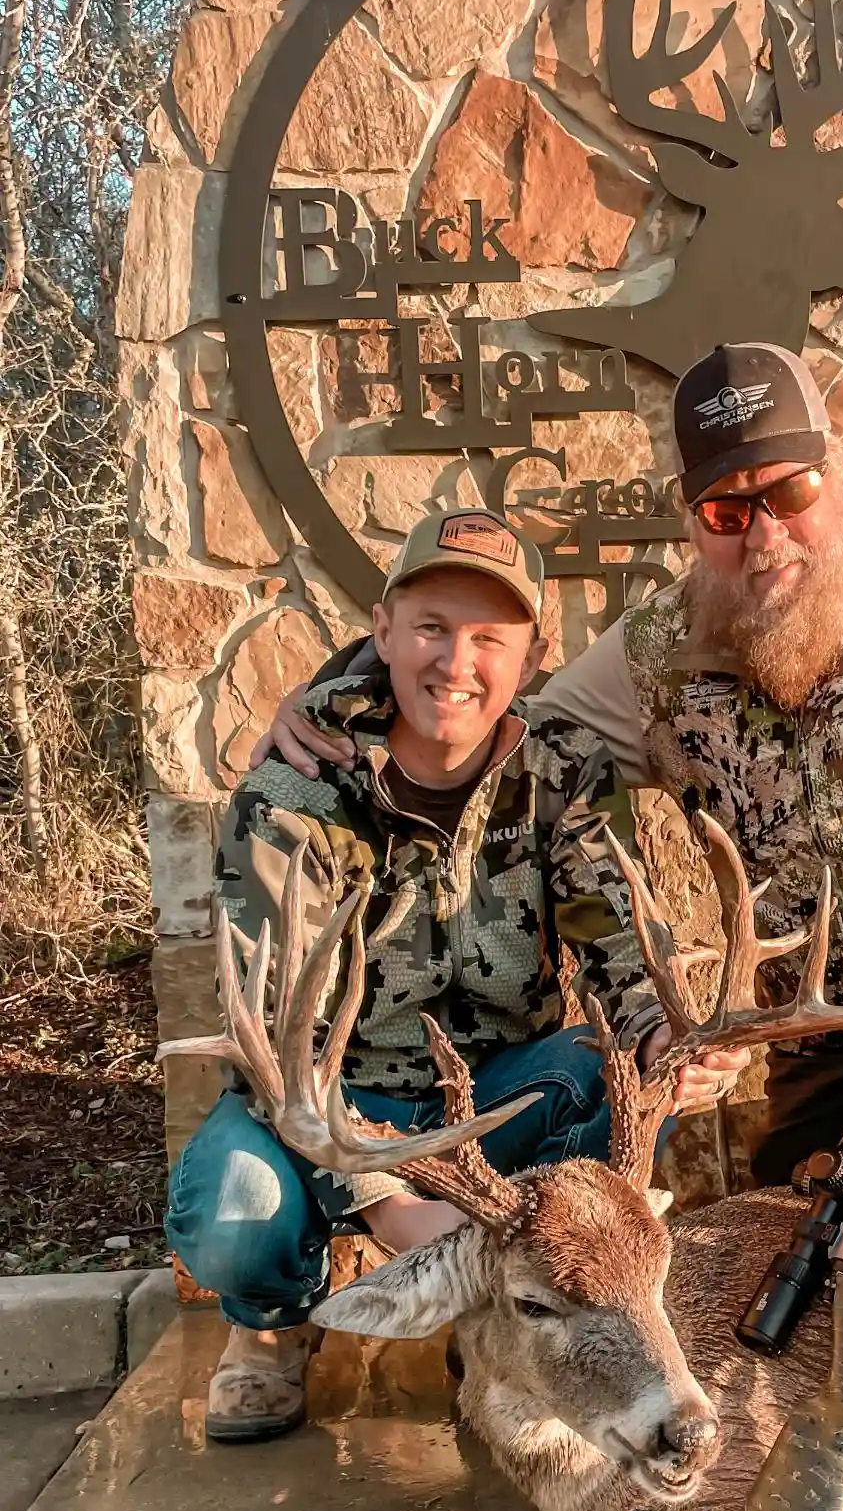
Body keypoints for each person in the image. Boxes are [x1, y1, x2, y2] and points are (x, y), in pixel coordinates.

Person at [260, 345, 843, 1197]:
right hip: (839, 1041)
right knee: (799, 1260)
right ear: (692, 521)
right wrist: (337, 690)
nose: (764, 538)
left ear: (837, 472)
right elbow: (493, 715)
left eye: (789, 493)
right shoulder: (658, 655)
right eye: (727, 509)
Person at [168, 507, 707, 1444]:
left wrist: (667, 1040)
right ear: (383, 632)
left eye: (489, 638)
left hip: (493, 1099)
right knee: (235, 1211)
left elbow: (612, 938)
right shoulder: (296, 792)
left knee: (613, 1081)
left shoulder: (560, 770)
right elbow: (274, 1041)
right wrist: (385, 1203)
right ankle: (269, 1326)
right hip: (331, 1102)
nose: (457, 663)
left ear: (531, 658)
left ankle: (508, 1324)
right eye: (432, 628)